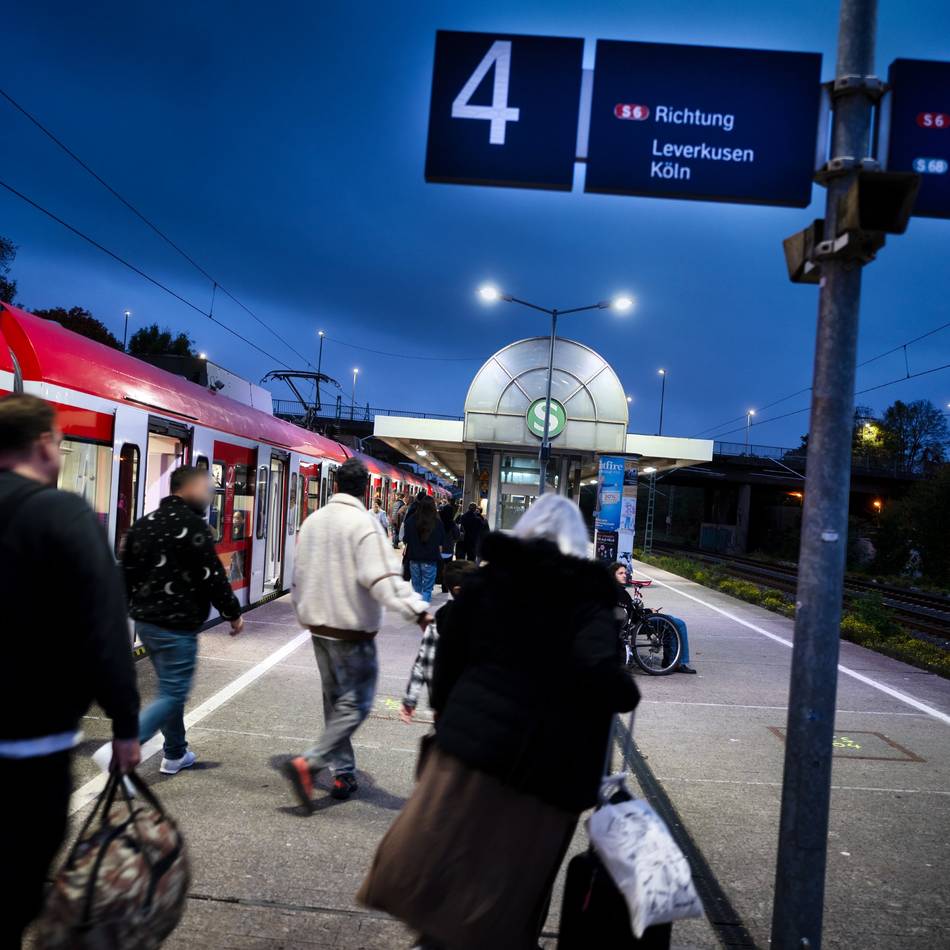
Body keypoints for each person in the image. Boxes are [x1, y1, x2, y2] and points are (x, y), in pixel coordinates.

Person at [358, 494, 640, 949]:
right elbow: (598, 673)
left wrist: (452, 724)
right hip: (544, 777)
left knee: (445, 873)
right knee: (510, 894)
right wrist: (623, 689)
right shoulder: (588, 601)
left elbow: (447, 661)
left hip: (468, 756)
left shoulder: (489, 584)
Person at [0, 395, 141, 948]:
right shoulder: (64, 514)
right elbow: (104, 630)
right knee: (17, 881)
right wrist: (126, 724)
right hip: (31, 743)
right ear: (42, 445)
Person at [284, 458, 432, 809]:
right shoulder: (365, 524)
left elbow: (297, 576)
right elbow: (382, 580)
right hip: (352, 632)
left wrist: (304, 614)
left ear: (335, 484)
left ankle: (343, 770)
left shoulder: (313, 522)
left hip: (319, 629)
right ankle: (312, 761)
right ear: (365, 489)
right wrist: (417, 611)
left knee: (335, 704)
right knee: (358, 703)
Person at [97, 466, 245, 778]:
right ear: (188, 488)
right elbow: (213, 577)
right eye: (206, 488)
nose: (208, 495)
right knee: (173, 693)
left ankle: (175, 753)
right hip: (177, 625)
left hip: (147, 625)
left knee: (169, 689)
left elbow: (126, 574)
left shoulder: (144, 524)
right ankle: (123, 746)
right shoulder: (195, 528)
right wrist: (232, 613)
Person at [400, 559, 478, 724]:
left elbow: (422, 662)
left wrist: (410, 699)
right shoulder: (481, 618)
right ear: (459, 590)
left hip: (446, 704)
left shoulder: (439, 618)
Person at [611, 562, 696, 674]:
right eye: (620, 573)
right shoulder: (620, 592)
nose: (624, 575)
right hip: (634, 625)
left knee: (671, 621)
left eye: (625, 573)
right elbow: (634, 615)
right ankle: (678, 662)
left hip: (627, 624)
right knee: (679, 624)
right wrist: (650, 611)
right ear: (613, 575)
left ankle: (671, 660)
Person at [402, 494, 446, 603]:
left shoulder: (411, 520)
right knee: (427, 589)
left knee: (416, 588)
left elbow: (406, 539)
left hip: (414, 558)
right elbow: (441, 543)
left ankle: (417, 609)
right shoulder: (438, 522)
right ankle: (423, 610)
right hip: (430, 560)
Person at [435, 500, 458, 593]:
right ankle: (445, 587)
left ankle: (434, 582)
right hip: (448, 550)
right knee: (447, 569)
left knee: (437, 567)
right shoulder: (453, 524)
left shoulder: (438, 523)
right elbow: (457, 535)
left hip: (438, 549)